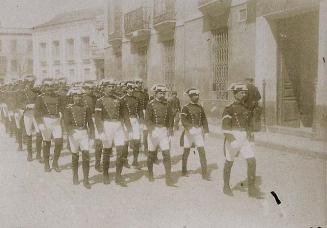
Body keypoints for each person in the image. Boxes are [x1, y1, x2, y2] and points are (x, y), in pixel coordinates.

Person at [221, 83, 261, 198]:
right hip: (233, 137)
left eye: (245, 92)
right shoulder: (229, 108)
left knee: (252, 160)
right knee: (229, 162)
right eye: (241, 92)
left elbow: (249, 124)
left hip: (244, 138)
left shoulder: (246, 108)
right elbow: (225, 127)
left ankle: (252, 189)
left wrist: (251, 136)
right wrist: (231, 139)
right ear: (236, 94)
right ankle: (226, 186)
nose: (244, 95)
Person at [94, 79, 132, 186]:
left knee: (121, 151)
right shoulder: (100, 101)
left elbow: (125, 115)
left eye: (112, 86)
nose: (111, 88)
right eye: (109, 87)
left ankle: (118, 176)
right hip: (106, 126)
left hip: (118, 126)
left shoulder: (120, 100)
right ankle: (105, 175)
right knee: (107, 151)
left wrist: (130, 129)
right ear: (104, 88)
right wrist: (101, 131)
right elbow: (97, 118)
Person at [64, 87, 95, 189]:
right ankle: (75, 175)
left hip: (84, 133)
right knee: (75, 155)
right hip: (74, 133)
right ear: (72, 97)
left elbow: (90, 122)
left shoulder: (86, 108)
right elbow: (66, 122)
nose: (77, 98)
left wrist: (92, 136)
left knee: (86, 155)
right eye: (75, 96)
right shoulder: (68, 108)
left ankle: (86, 179)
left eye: (79, 96)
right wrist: (69, 131)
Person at [145, 84, 174, 186]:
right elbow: (147, 119)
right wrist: (150, 129)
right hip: (154, 131)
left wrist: (170, 129)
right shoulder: (150, 104)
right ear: (155, 94)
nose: (162, 95)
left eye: (163, 93)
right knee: (151, 154)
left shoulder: (168, 104)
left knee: (166, 154)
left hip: (163, 131)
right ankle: (150, 174)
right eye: (160, 93)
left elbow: (171, 118)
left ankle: (168, 178)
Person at [34, 78, 64, 172]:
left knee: (59, 142)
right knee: (47, 143)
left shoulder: (58, 97)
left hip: (56, 122)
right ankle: (46, 164)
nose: (49, 88)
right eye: (47, 86)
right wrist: (40, 123)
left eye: (51, 86)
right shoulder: (40, 97)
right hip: (46, 121)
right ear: (44, 87)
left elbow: (63, 108)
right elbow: (37, 112)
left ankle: (55, 163)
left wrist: (61, 113)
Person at [180, 88, 210, 180]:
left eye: (197, 95)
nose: (196, 97)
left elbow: (204, 119)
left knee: (202, 151)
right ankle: (184, 171)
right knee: (186, 151)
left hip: (198, 132)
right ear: (190, 97)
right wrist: (189, 128)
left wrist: (206, 130)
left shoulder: (200, 107)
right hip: (189, 132)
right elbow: (183, 120)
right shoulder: (186, 107)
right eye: (194, 96)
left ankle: (204, 174)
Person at [121, 81, 144, 169]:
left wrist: (141, 122)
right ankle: (124, 160)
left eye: (133, 89)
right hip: (126, 121)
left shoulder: (137, 99)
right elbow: (120, 113)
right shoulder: (122, 99)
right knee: (126, 141)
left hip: (135, 120)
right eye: (129, 89)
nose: (131, 90)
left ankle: (135, 161)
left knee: (137, 141)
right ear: (126, 89)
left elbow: (140, 111)